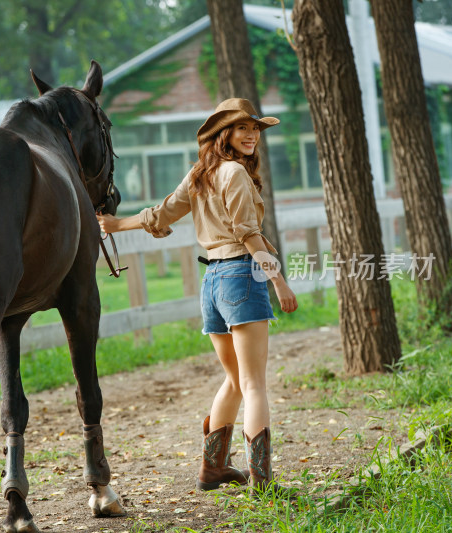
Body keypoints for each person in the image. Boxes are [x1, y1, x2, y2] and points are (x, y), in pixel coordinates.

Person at [97, 98, 297, 495]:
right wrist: (278, 281)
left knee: (235, 380)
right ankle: (263, 482)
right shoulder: (234, 173)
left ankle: (213, 469)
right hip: (242, 273)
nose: (252, 135)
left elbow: (162, 213)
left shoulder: (200, 175)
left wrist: (117, 224)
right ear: (223, 134)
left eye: (255, 129)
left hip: (213, 283)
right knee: (254, 383)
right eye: (243, 128)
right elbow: (248, 234)